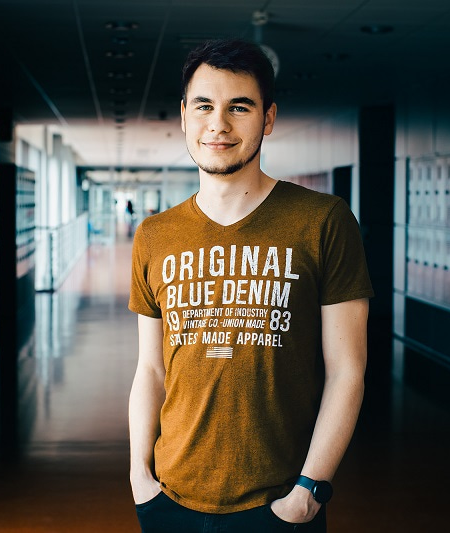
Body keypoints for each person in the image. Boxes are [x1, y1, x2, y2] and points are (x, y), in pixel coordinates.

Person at [128, 38, 373, 532]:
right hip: (169, 498)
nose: (218, 124)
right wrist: (139, 475)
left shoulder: (323, 221)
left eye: (239, 107)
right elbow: (151, 369)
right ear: (183, 116)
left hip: (281, 504)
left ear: (268, 118)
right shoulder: (154, 236)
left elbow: (347, 370)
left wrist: (310, 489)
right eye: (204, 106)